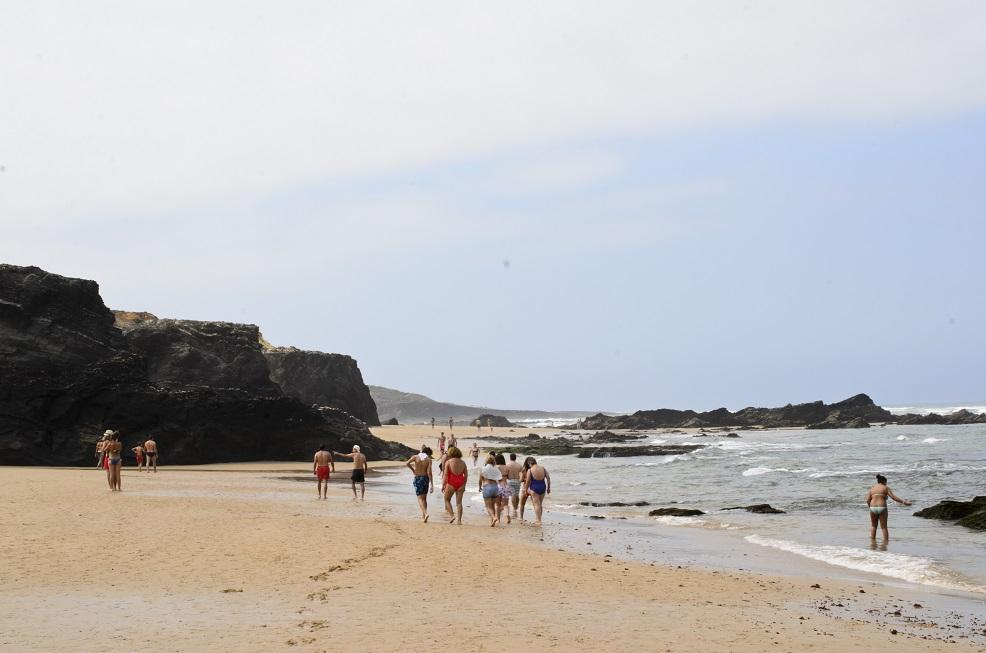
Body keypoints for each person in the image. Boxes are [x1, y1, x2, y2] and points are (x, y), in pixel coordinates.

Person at [867, 474, 911, 540]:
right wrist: (904, 502)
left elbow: (868, 500)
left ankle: (872, 542)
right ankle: (885, 543)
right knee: (884, 527)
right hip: (882, 507)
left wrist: (870, 507)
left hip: (872, 507)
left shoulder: (872, 488)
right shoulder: (886, 487)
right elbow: (893, 497)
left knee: (874, 526)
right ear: (884, 482)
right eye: (886, 482)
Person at [406, 447, 434, 522]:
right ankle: (423, 516)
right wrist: (432, 485)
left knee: (419, 498)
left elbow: (407, 463)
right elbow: (429, 473)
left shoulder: (415, 457)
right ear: (427, 453)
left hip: (418, 478)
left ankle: (425, 513)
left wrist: (413, 470)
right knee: (424, 498)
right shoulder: (429, 460)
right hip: (425, 479)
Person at [442, 446, 468, 524]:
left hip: (451, 482)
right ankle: (459, 521)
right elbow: (466, 475)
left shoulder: (448, 462)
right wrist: (464, 484)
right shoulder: (463, 462)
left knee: (447, 500)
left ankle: (452, 516)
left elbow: (445, 475)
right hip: (461, 482)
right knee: (459, 503)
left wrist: (443, 485)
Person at [522, 457, 550, 526]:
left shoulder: (530, 470)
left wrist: (526, 490)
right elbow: (548, 478)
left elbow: (528, 481)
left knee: (536, 504)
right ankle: (539, 519)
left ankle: (538, 520)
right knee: (540, 504)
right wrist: (548, 488)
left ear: (529, 463)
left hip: (534, 488)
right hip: (543, 487)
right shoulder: (543, 468)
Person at [479, 454, 503, 527]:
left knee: (488, 506)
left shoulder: (483, 468)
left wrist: (479, 487)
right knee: (492, 505)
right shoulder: (496, 469)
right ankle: (493, 521)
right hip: (495, 487)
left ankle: (494, 517)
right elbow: (500, 479)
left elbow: (480, 479)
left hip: (487, 487)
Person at [505, 453, 523, 518]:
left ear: (510, 458)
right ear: (515, 458)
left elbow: (506, 474)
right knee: (517, 494)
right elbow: (522, 474)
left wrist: (506, 479)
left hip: (510, 481)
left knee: (513, 494)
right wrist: (520, 480)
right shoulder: (519, 465)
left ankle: (514, 509)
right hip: (517, 481)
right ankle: (516, 507)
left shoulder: (507, 465)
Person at [495, 453, 511, 524]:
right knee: (506, 504)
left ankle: (498, 519)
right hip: (506, 486)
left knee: (497, 505)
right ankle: (507, 515)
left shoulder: (495, 467)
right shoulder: (507, 467)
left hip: (498, 486)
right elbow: (509, 477)